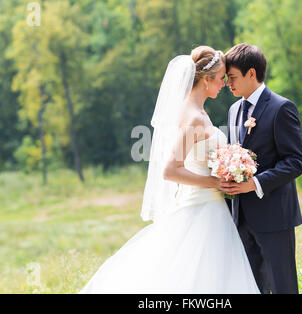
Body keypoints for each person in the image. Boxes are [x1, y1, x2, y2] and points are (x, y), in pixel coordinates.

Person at [79, 46, 259, 294]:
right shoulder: (194, 117)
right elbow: (170, 170)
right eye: (220, 79)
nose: (224, 83)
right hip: (202, 206)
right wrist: (216, 183)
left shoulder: (198, 112)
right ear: (206, 80)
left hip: (211, 204)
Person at [221, 43, 302, 294]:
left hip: (275, 217)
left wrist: (255, 183)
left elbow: (296, 161)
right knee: (250, 288)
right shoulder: (234, 109)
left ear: (251, 73)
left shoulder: (282, 108)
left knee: (283, 287)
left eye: (232, 77)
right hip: (241, 218)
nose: (228, 84)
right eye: (226, 79)